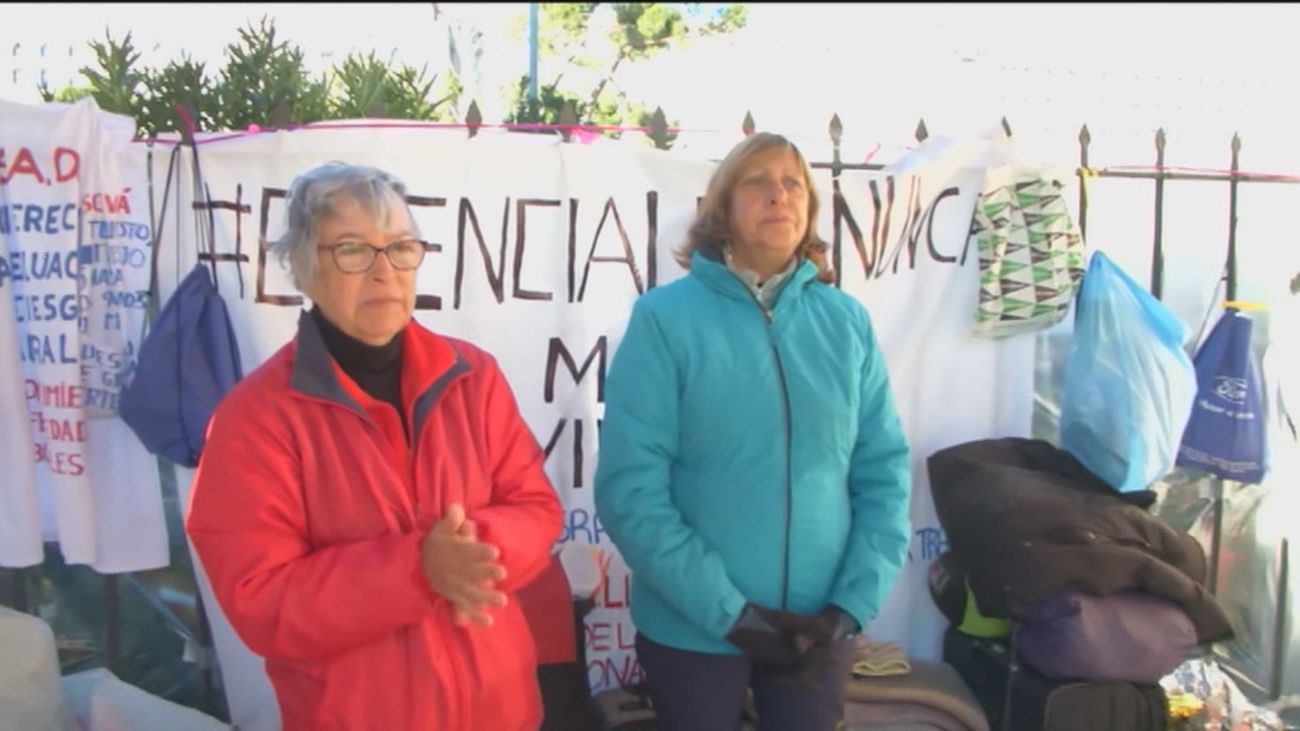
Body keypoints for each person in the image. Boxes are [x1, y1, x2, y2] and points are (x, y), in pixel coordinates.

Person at [185, 162, 564, 731]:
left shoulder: (473, 376)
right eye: (353, 250)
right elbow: (260, 601)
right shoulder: (255, 418)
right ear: (305, 268)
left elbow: (537, 510)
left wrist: (469, 556)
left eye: (401, 248)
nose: (385, 272)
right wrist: (417, 571)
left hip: (502, 712)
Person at [593, 132, 913, 731]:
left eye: (793, 183)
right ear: (721, 209)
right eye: (758, 181)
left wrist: (848, 611)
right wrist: (732, 617)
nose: (779, 195)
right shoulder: (665, 320)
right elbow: (630, 491)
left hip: (819, 631)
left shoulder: (846, 323)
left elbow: (884, 474)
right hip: (694, 631)